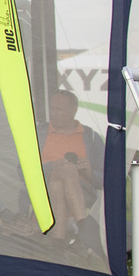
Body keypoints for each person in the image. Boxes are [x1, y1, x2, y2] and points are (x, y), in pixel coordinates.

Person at [41, 89, 104, 243]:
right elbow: (20, 171)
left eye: (59, 109)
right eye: (52, 108)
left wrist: (89, 171)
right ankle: (84, 227)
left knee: (60, 182)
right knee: (63, 171)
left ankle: (58, 244)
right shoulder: (39, 133)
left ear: (73, 110)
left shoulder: (91, 137)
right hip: (43, 189)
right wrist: (51, 167)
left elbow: (105, 180)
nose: (53, 113)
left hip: (82, 190)